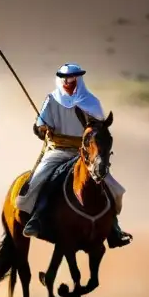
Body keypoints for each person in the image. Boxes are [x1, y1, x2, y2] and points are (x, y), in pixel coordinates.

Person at [16, 62, 132, 248]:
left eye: (71, 79)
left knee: (115, 189)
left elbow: (100, 131)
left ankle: (113, 228)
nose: (67, 83)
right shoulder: (51, 100)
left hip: (86, 154)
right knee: (39, 179)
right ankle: (36, 219)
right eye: (64, 79)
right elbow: (39, 128)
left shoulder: (92, 102)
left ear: (79, 80)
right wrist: (42, 128)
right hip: (58, 150)